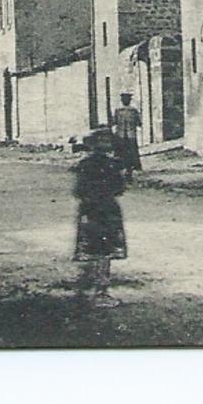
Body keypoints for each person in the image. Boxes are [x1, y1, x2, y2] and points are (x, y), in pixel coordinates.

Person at [72, 127, 127, 307]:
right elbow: (119, 188)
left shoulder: (84, 165)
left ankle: (89, 290)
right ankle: (101, 292)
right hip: (106, 209)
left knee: (93, 249)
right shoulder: (113, 165)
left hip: (89, 209)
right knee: (105, 250)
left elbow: (78, 190)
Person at [111, 93, 143, 182]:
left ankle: (122, 169)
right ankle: (132, 168)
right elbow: (139, 123)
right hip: (130, 135)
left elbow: (113, 122)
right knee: (132, 152)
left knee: (121, 153)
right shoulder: (133, 111)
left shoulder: (118, 111)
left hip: (121, 135)